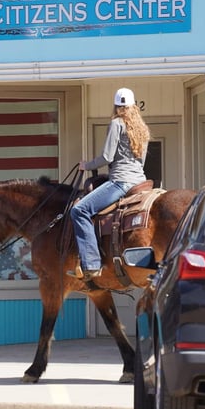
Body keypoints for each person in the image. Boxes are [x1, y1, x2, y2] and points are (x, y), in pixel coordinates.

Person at [68, 87, 150, 280]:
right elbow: (141, 161)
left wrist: (86, 165)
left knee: (79, 211)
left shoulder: (116, 123)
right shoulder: (142, 128)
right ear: (133, 106)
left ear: (116, 106)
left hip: (121, 182)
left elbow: (107, 156)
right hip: (140, 181)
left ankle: (91, 264)